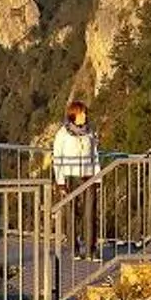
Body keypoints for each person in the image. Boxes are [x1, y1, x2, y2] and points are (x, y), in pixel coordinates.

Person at [49, 98, 102, 256]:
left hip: (88, 175)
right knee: (72, 213)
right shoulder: (62, 134)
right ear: (74, 115)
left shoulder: (90, 132)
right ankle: (74, 248)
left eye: (85, 113)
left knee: (90, 213)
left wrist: (97, 177)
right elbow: (57, 158)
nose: (85, 115)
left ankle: (91, 249)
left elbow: (95, 155)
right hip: (70, 176)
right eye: (82, 113)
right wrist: (60, 182)